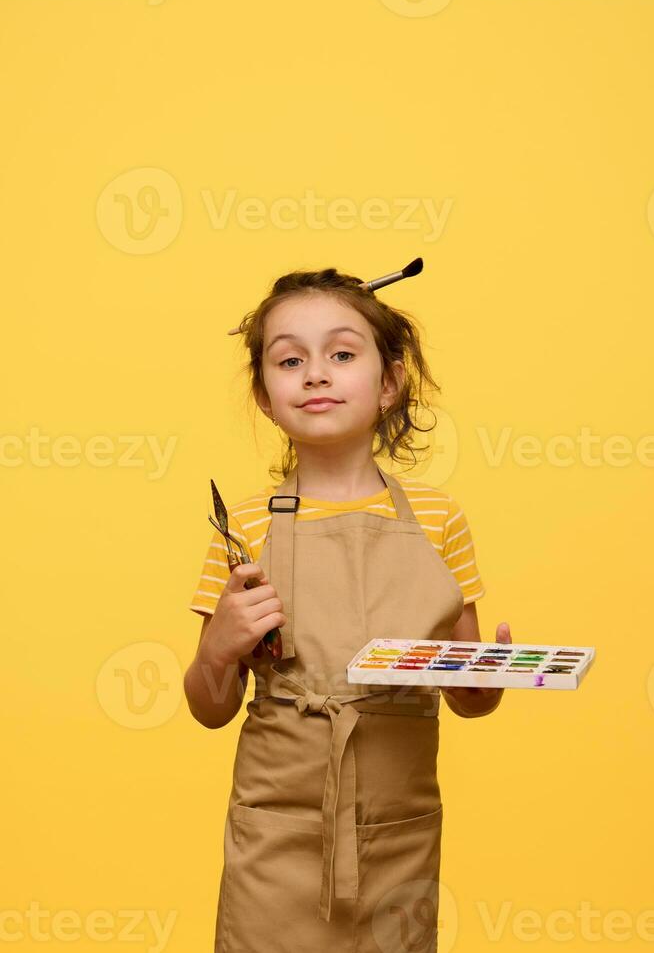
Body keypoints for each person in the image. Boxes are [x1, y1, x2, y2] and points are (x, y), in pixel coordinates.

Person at [184, 265, 512, 953]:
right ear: (265, 395)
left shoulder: (437, 518)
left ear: (388, 382)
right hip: (277, 833)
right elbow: (212, 706)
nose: (315, 374)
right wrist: (219, 647)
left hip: (397, 830)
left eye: (341, 353)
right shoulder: (242, 528)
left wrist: (492, 672)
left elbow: (472, 699)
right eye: (290, 359)